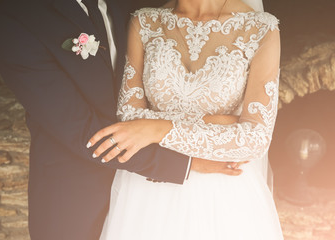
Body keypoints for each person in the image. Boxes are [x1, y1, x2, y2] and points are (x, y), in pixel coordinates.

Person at [0, 0, 232, 239]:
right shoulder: (15, 17)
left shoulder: (144, 6)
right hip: (76, 199)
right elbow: (78, 127)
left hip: (154, 199)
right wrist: (184, 163)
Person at [88, 0, 284, 239]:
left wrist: (156, 129)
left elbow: (255, 138)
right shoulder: (145, 22)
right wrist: (227, 122)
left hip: (224, 193)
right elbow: (130, 119)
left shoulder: (261, 28)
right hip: (149, 190)